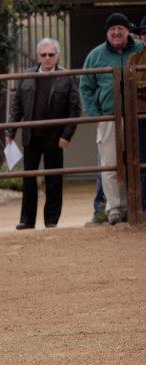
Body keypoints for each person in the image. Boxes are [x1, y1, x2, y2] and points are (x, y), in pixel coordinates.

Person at [5, 38, 81, 230]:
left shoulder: (67, 76)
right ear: (38, 56)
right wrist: (10, 130)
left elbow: (75, 109)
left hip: (55, 138)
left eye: (51, 55)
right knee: (29, 179)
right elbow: (17, 107)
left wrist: (67, 135)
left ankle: (51, 220)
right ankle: (27, 220)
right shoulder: (27, 75)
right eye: (43, 55)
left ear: (58, 56)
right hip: (31, 136)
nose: (47, 58)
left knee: (53, 180)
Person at [81, 13, 144, 225]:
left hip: (138, 117)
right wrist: (95, 114)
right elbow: (86, 86)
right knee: (110, 162)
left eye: (121, 28)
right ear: (107, 32)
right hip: (109, 116)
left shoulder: (140, 50)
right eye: (112, 29)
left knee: (135, 161)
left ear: (128, 31)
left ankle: (133, 206)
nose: (116, 32)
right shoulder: (95, 55)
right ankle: (115, 208)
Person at [128, 17, 146, 213]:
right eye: (144, 33)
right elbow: (129, 85)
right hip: (141, 116)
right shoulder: (134, 58)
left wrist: (141, 87)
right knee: (142, 161)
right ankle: (144, 207)